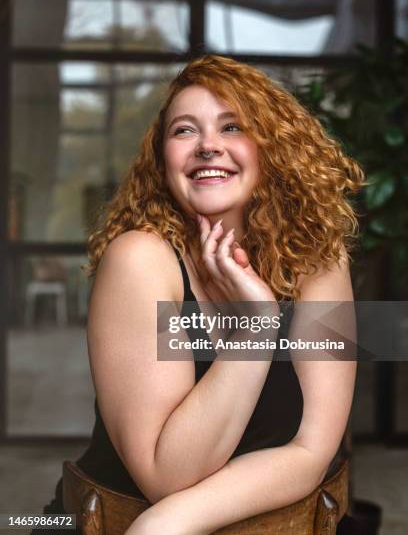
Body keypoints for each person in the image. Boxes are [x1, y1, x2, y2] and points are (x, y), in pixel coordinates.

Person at [36, 55, 366, 534]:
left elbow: (313, 451)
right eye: (184, 131)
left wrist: (172, 521)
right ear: (162, 160)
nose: (208, 146)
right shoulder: (140, 260)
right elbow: (166, 476)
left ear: (270, 148)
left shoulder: (320, 260)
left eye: (232, 127)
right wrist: (256, 327)